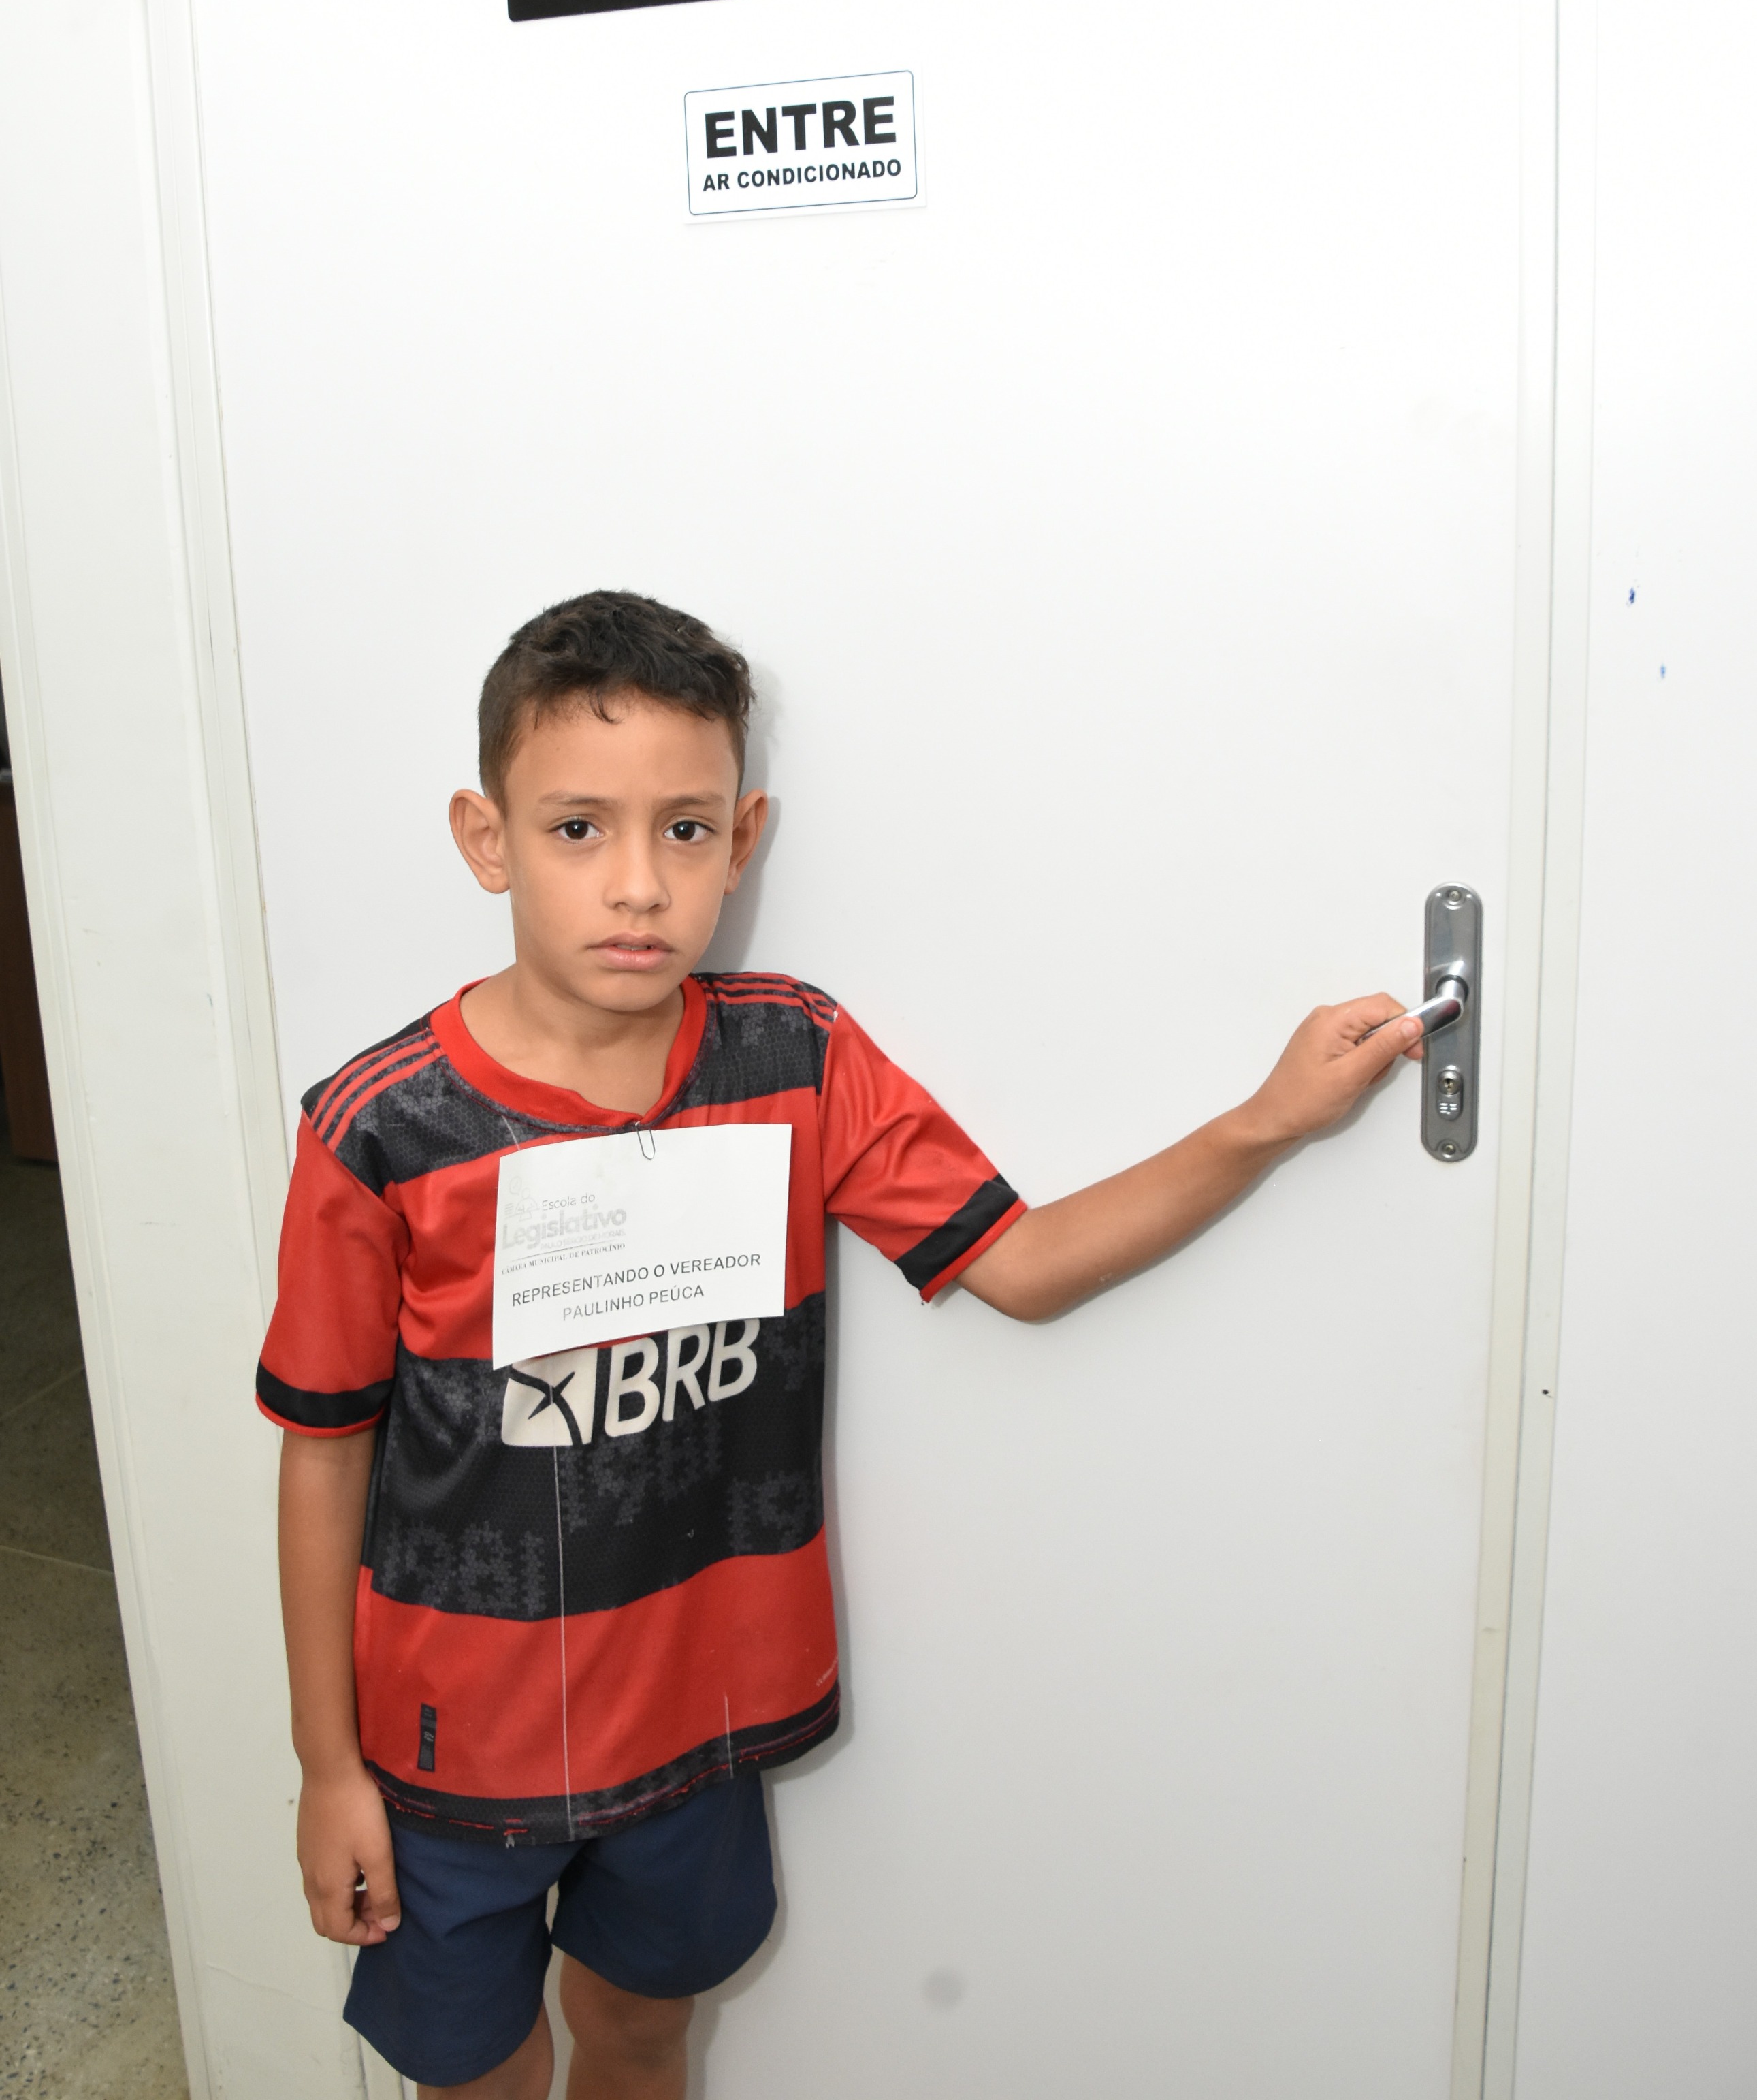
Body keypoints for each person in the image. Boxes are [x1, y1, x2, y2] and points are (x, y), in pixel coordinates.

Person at [261, 590, 1422, 2100]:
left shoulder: (794, 1056)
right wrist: (329, 1767)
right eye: (577, 829)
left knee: (640, 2032)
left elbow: (1021, 1264)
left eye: (685, 829)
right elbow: (321, 1454)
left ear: (742, 839)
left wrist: (1265, 1122)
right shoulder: (381, 1130)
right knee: (476, 2074)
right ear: (488, 839)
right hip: (452, 1748)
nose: (637, 882)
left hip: (692, 1724)